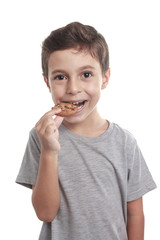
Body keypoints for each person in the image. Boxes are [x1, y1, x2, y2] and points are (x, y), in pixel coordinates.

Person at [16, 22, 156, 240]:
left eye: (86, 74)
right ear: (47, 82)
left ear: (105, 78)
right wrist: (49, 151)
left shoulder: (124, 142)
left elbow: (135, 213)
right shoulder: (41, 137)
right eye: (60, 77)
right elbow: (45, 213)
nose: (73, 88)